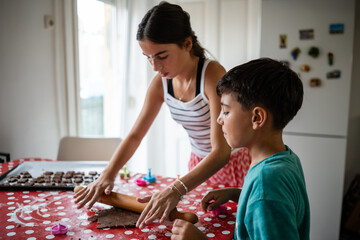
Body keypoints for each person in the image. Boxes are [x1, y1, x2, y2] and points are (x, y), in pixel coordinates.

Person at [74, 1, 251, 229]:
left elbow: (221, 152)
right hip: (198, 163)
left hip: (232, 164)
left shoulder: (211, 74)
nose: (155, 66)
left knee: (236, 229)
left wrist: (175, 188)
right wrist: (108, 174)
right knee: (201, 227)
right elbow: (136, 135)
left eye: (162, 56)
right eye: (147, 57)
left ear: (187, 44)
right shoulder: (161, 84)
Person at [171, 58, 310, 240]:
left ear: (257, 118)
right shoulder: (286, 159)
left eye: (226, 111)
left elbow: (267, 199)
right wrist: (238, 194)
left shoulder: (266, 184)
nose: (219, 119)